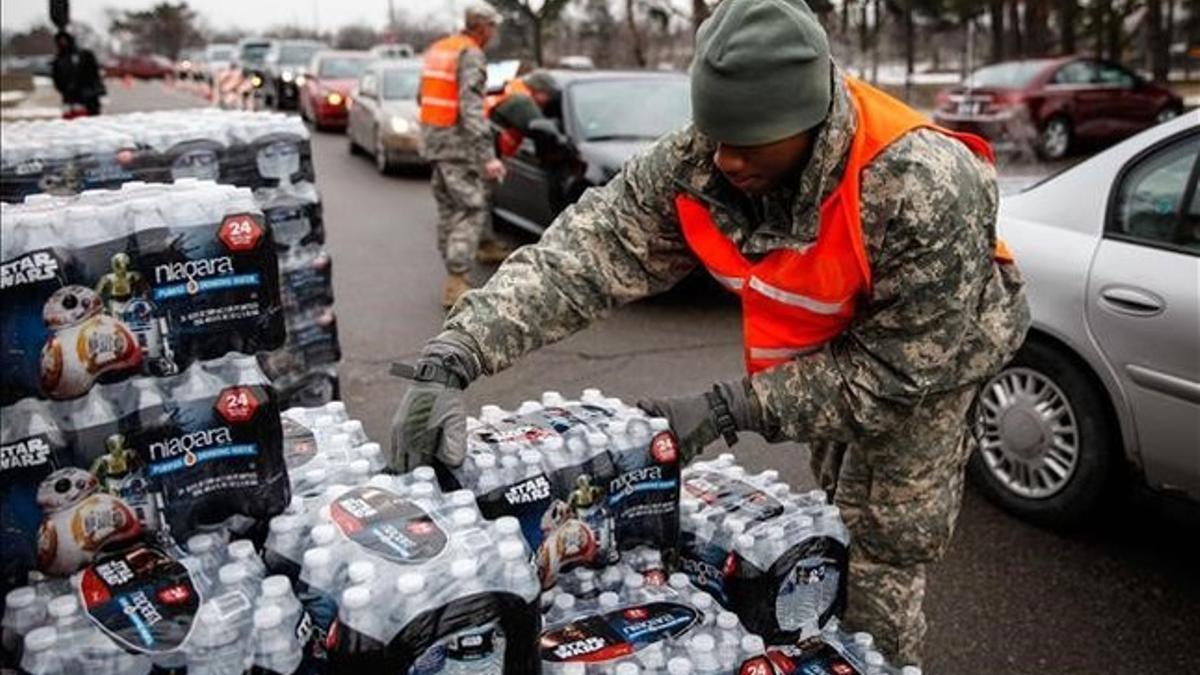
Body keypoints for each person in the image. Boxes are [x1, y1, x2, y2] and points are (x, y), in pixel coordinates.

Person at [391, 0, 1029, 665]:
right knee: (829, 521)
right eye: (714, 135)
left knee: (881, 544)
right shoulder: (706, 156)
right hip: (828, 343)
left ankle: (880, 658)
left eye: (747, 142)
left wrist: (733, 406)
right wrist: (456, 352)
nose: (725, 159)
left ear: (807, 123)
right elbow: (588, 252)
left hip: (927, 357)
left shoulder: (922, 184)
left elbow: (898, 371)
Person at [419, 4, 511, 309]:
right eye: (493, 27)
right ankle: (456, 281)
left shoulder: (440, 49)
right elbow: (471, 109)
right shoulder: (470, 54)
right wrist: (488, 156)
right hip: (459, 146)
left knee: (448, 207)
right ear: (482, 27)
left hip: (435, 141)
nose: (494, 34)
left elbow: (422, 96)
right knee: (471, 208)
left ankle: (468, 256)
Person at [51, 31, 105, 117]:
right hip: (71, 97)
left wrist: (99, 90)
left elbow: (94, 74)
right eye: (60, 41)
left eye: (65, 40)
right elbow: (57, 78)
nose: (63, 43)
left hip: (89, 96)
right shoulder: (58, 60)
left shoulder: (85, 55)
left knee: (92, 121)